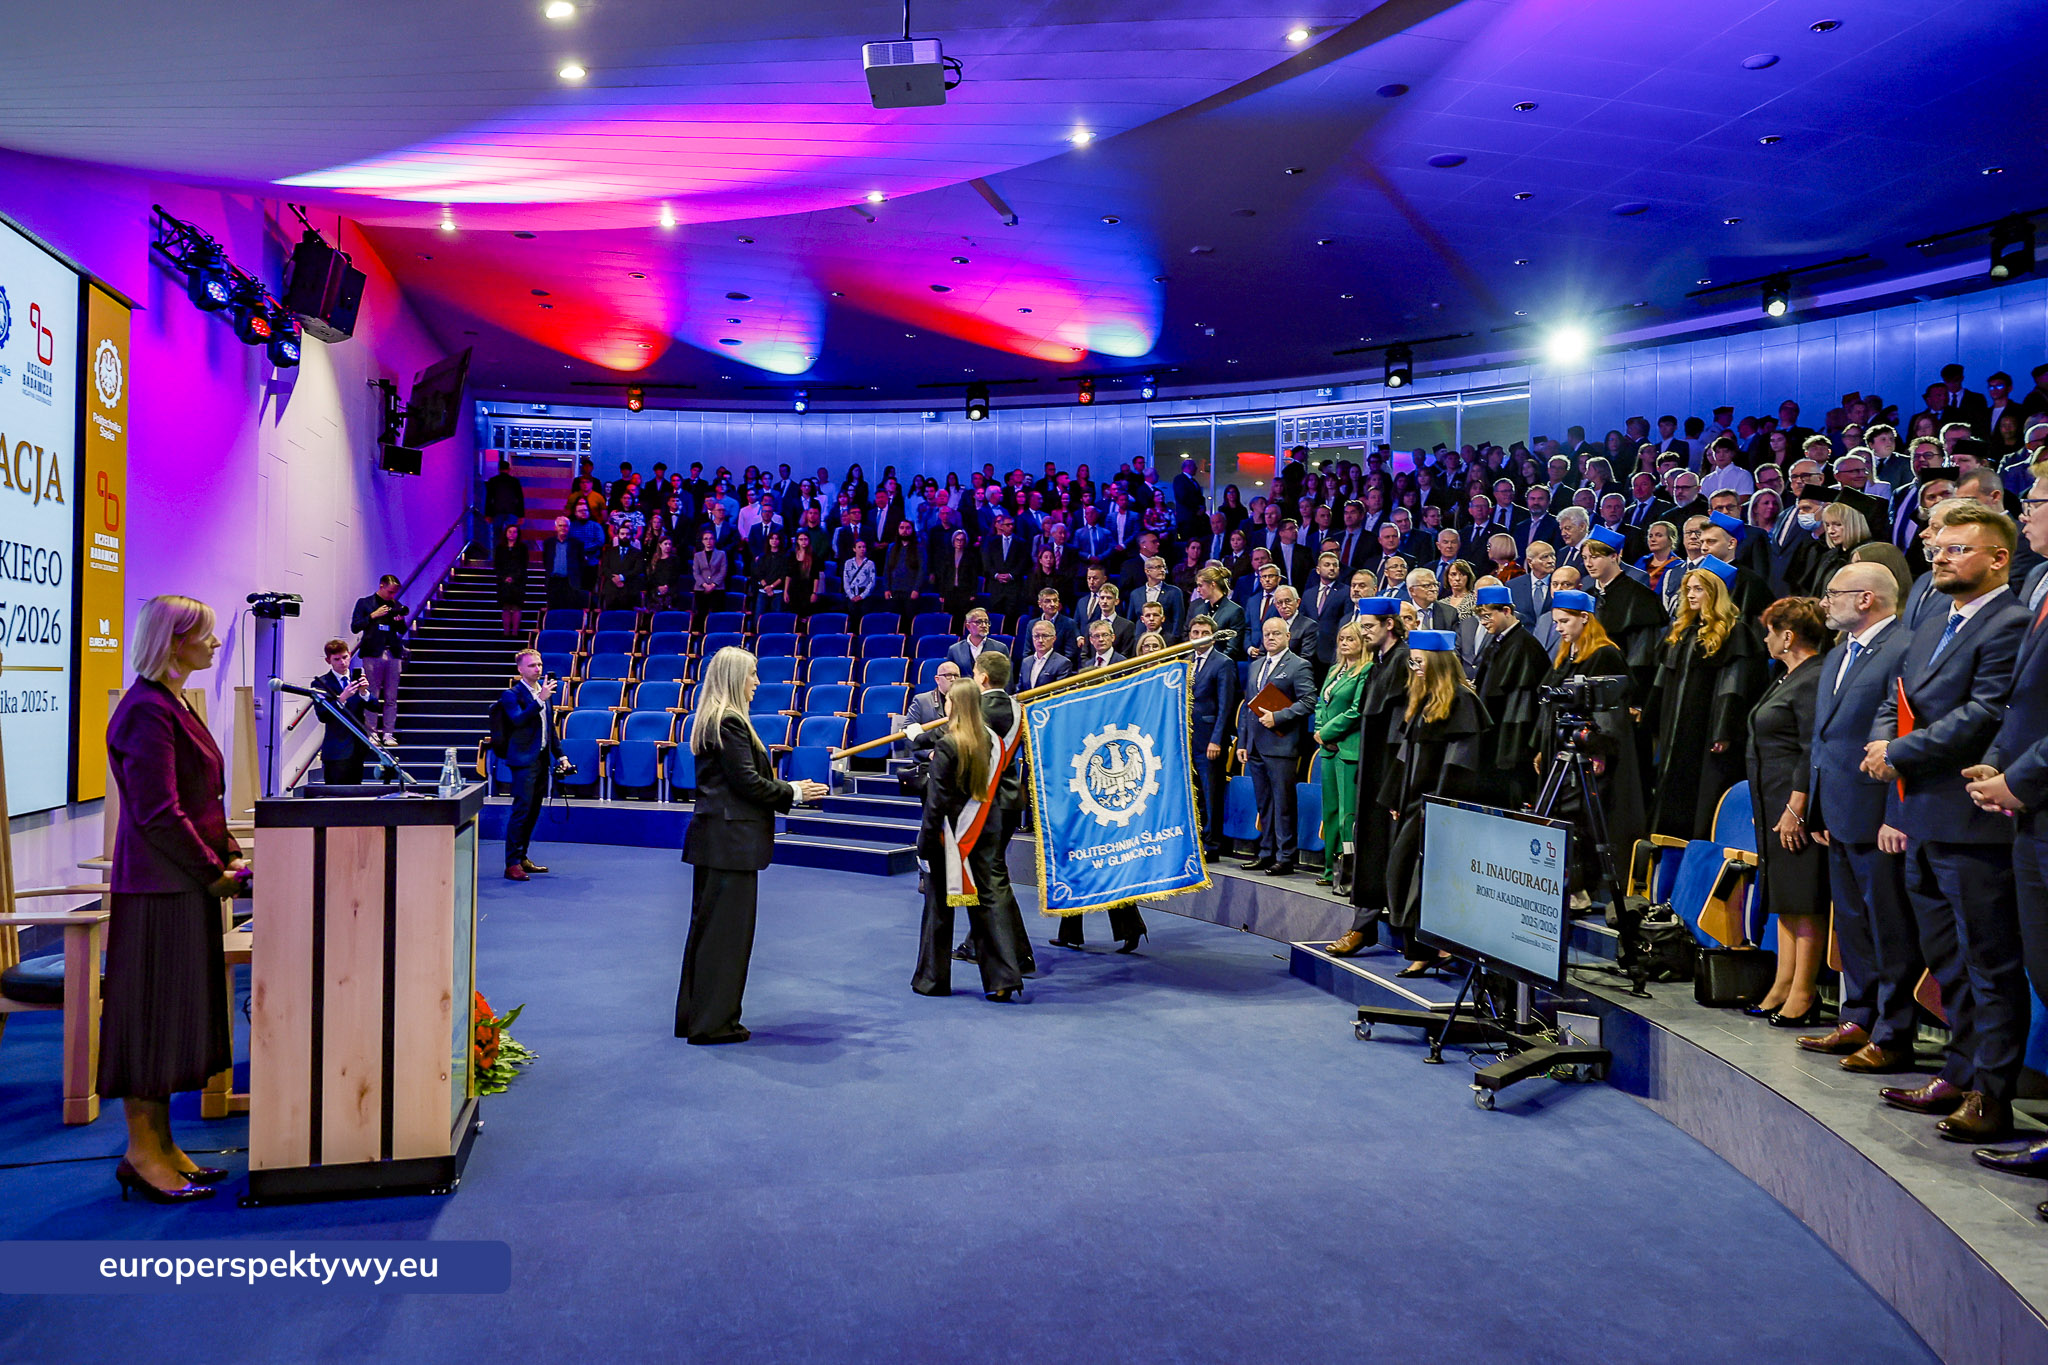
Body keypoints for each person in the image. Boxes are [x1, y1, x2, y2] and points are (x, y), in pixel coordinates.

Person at [1865, 501, 2029, 1141]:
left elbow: (1986, 714)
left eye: (1959, 548)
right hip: (1921, 814)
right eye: (1938, 547)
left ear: (1998, 559)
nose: (1940, 555)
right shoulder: (1935, 619)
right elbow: (1896, 696)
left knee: (1989, 963)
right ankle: (1959, 1072)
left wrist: (1897, 752)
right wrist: (1884, 747)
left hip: (1974, 818)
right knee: (1948, 960)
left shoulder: (2010, 623)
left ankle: (1993, 1093)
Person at [99, 595, 246, 1203]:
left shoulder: (172, 703)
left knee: (172, 1018)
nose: (214, 645)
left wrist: (231, 849)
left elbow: (203, 796)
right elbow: (160, 812)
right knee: (151, 1021)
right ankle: (140, 1150)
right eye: (206, 636)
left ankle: (162, 1146)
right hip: (157, 890)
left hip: (180, 887)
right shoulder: (147, 712)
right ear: (174, 641)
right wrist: (214, 870)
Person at [1795, 564, 1919, 1071]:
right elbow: (1824, 739)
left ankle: (1892, 1033)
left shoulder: (1906, 648)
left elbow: (1905, 736)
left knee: (1888, 926)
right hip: (1841, 811)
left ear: (1866, 598)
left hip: (1879, 812)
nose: (1826, 603)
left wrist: (1898, 813)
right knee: (1851, 923)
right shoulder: (1840, 653)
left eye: (1834, 594)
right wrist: (1818, 804)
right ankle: (1858, 1017)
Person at [1963, 469, 2048, 1185]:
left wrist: (2017, 777)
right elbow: (2021, 708)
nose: (2025, 515)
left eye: (2037, 503)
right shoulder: (2041, 593)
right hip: (2030, 810)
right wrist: (1998, 767)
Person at [677, 647, 827, 1042]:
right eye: (752, 675)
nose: (757, 683)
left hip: (718, 840)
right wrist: (793, 791)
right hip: (731, 844)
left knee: (709, 933)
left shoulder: (712, 719)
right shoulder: (729, 722)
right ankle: (713, 1024)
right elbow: (747, 783)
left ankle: (697, 1016)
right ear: (733, 678)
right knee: (726, 938)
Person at [1743, 597, 1832, 1027]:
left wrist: (1798, 808)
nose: (1765, 637)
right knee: (1785, 898)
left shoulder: (1814, 677)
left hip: (1795, 802)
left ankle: (1803, 990)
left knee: (1805, 896)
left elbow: (1810, 747)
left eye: (1770, 630)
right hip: (1772, 798)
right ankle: (1782, 982)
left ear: (1788, 636)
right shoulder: (1786, 677)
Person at [1381, 630, 1490, 975]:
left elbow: (1461, 760)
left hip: (1438, 806)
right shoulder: (1422, 698)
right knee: (1401, 873)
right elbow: (1403, 754)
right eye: (1412, 660)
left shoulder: (1462, 700)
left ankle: (1429, 950)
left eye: (1419, 661)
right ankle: (1428, 948)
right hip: (1413, 803)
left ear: (1439, 663)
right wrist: (1394, 796)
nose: (1413, 667)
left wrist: (1440, 806)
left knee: (1420, 877)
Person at [916, 675, 1028, 1000]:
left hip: (950, 838)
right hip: (986, 832)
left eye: (948, 700)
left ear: (956, 705)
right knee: (986, 903)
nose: (944, 704)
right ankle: (1003, 979)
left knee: (939, 906)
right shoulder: (992, 739)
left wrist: (923, 845)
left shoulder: (948, 744)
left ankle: (933, 980)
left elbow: (936, 804)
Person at [1649, 563, 1769, 840]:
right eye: (1687, 589)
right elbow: (1662, 678)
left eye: (1698, 589)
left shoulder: (1733, 633)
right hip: (1675, 723)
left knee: (1703, 787)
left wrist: (1724, 729)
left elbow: (1733, 685)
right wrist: (1651, 717)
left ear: (1715, 593)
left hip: (1706, 725)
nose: (1691, 595)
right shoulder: (1681, 630)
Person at [1237, 615, 1315, 877]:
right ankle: (1266, 852)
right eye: (1267, 633)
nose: (1270, 637)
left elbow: (1308, 702)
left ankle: (1285, 856)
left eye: (1276, 634)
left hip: (1282, 744)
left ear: (1288, 637)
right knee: (1264, 803)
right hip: (1257, 745)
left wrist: (1278, 717)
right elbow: (1249, 706)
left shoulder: (1298, 665)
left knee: (1283, 804)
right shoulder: (1255, 665)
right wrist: (1244, 742)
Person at [1469, 583, 1552, 809]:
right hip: (1494, 740)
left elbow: (1524, 707)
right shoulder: (1497, 641)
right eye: (1481, 618)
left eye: (1488, 616)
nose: (1484, 623)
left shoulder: (1525, 646)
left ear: (1506, 611)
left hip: (1512, 748)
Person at [493, 649, 561, 882]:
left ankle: (522, 857)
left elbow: (549, 728)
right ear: (520, 669)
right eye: (532, 665)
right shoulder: (511, 694)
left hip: (541, 758)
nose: (538, 669)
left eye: (540, 664)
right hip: (522, 760)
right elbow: (518, 720)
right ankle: (511, 863)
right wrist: (539, 699)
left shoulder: (543, 692)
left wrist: (560, 755)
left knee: (533, 811)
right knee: (521, 811)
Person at [1312, 621, 1368, 890]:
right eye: (1342, 639)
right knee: (1330, 811)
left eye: (1351, 639)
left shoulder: (1365, 671)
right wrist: (1320, 730)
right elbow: (1320, 703)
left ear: (1362, 643)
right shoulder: (1334, 669)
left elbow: (1357, 711)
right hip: (1327, 750)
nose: (1345, 644)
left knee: (1348, 814)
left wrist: (1330, 733)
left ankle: (1347, 874)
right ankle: (1328, 869)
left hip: (1347, 750)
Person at [1186, 616, 1237, 859]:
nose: (1200, 636)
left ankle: (1213, 845)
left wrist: (1217, 739)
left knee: (1211, 794)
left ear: (1214, 636)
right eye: (1195, 632)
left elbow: (1226, 706)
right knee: (1194, 794)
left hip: (1210, 740)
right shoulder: (1185, 661)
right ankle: (1196, 841)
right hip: (1187, 740)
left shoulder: (1223, 663)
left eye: (1205, 632)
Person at [350, 573, 410, 747]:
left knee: (391, 696)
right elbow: (355, 626)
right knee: (372, 694)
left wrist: (400, 620)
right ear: (381, 585)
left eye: (395, 593)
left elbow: (401, 630)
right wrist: (372, 616)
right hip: (372, 652)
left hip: (393, 653)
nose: (392, 596)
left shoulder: (395, 605)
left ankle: (388, 733)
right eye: (390, 591)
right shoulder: (365, 603)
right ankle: (372, 732)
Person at [310, 638, 374, 784]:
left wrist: (364, 692)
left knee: (356, 797)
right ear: (328, 661)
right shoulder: (321, 683)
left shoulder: (357, 679)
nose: (342, 662)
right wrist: (341, 699)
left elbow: (374, 706)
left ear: (350, 655)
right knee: (335, 797)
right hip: (336, 750)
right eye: (337, 659)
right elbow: (323, 715)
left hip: (357, 747)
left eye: (345, 657)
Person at [493, 521, 530, 637]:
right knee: (505, 606)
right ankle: (506, 632)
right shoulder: (500, 548)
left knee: (516, 606)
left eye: (515, 532)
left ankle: (515, 632)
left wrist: (513, 577)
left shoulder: (522, 548)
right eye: (510, 532)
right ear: (506, 533)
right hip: (503, 580)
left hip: (518, 580)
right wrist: (504, 577)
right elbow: (497, 564)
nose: (512, 534)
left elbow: (524, 564)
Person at [691, 527, 729, 626]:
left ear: (714, 540)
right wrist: (704, 585)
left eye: (711, 538)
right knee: (701, 614)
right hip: (701, 588)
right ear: (702, 541)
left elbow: (723, 571)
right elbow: (696, 572)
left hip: (717, 588)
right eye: (706, 539)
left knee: (718, 615)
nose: (709, 541)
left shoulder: (721, 554)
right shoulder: (697, 555)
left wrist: (713, 584)